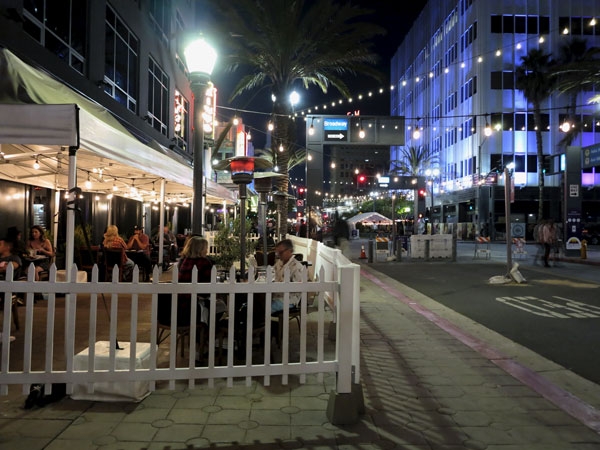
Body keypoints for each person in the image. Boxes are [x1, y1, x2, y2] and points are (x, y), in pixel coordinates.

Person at [177, 236, 224, 326]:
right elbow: (209, 284)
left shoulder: (185, 261)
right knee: (221, 305)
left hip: (182, 301)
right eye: (205, 248)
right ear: (200, 249)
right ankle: (209, 328)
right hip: (196, 302)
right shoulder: (204, 262)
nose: (207, 250)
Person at [271, 239, 304, 313]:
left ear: (290, 251)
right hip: (275, 296)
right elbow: (272, 274)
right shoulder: (279, 263)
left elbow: (297, 288)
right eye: (277, 253)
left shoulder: (297, 267)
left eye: (281, 252)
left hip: (289, 300)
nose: (279, 255)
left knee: (264, 309)